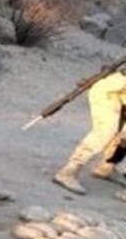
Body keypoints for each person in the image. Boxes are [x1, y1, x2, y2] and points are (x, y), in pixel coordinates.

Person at [52, 65, 126, 194]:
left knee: (121, 134)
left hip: (121, 93)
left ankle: (107, 167)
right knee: (104, 132)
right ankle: (68, 172)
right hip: (108, 92)